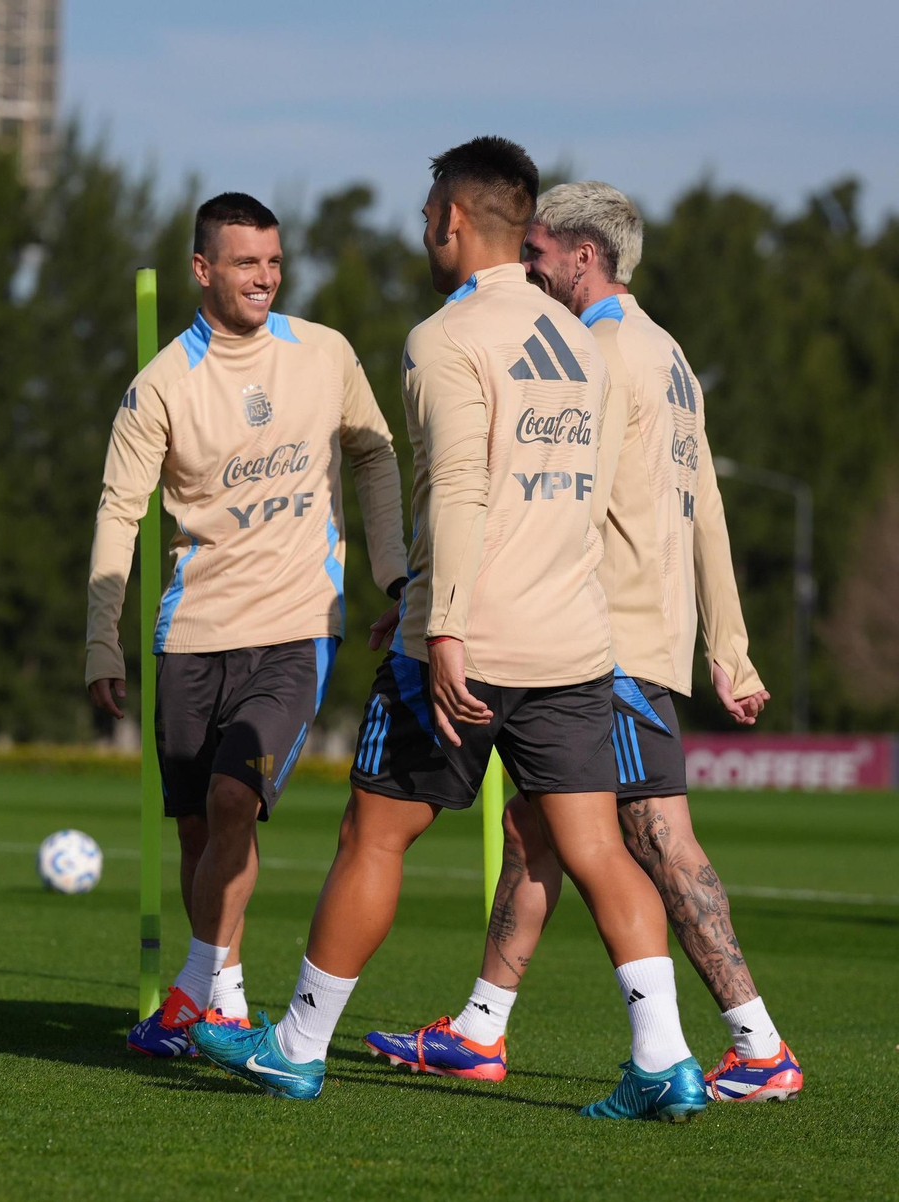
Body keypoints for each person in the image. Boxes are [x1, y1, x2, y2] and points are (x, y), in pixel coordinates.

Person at [194, 137, 708, 1122]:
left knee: (374, 833)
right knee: (597, 845)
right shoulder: (577, 340)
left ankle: (296, 1044)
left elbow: (465, 487)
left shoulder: (444, 337)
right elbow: (582, 495)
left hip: (469, 635)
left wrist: (447, 624)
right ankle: (665, 1057)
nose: (423, 227)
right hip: (573, 636)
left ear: (451, 221)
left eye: (429, 211)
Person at [362, 181, 802, 1103]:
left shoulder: (590, 349)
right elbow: (708, 510)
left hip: (608, 632)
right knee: (538, 830)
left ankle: (756, 1044)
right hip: (646, 628)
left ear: (582, 257)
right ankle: (481, 1028)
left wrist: (459, 603)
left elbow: (559, 503)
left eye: (540, 252)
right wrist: (728, 642)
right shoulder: (669, 354)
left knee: (656, 839)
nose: (527, 265)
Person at [86, 192, 406, 1056]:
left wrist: (393, 574)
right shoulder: (159, 385)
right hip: (190, 633)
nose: (264, 277)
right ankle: (216, 996)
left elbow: (375, 454)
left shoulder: (325, 353)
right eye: (244, 262)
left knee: (236, 797)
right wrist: (99, 636)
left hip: (299, 624)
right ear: (202, 269)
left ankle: (198, 997)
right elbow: (120, 514)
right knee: (198, 828)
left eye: (273, 261)